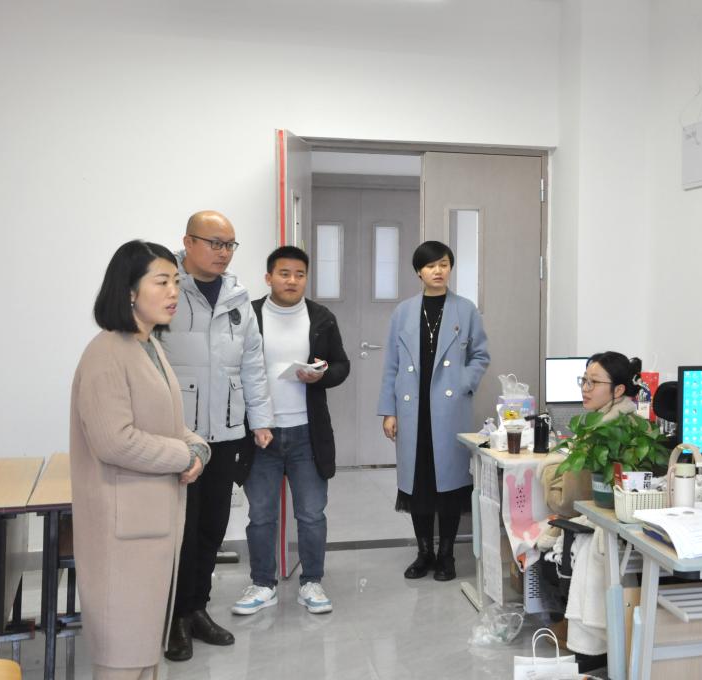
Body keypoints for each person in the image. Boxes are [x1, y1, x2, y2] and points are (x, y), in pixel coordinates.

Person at [70, 241, 210, 680]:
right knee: (122, 657)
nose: (174, 292)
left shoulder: (149, 346)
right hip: (122, 530)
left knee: (143, 653)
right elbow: (115, 441)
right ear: (129, 290)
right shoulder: (106, 352)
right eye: (162, 281)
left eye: (177, 282)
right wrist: (182, 454)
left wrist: (199, 448)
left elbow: (169, 423)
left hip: (151, 523)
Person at [158, 210, 274, 661]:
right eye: (215, 243)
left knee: (211, 527)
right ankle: (174, 617)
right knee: (180, 531)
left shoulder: (236, 296)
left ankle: (197, 609)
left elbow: (252, 364)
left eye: (229, 245)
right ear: (188, 242)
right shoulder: (166, 288)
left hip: (225, 433)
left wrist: (259, 421)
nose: (224, 253)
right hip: (178, 436)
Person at [231, 246, 350, 616]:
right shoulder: (248, 315)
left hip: (306, 434)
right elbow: (231, 367)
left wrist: (321, 375)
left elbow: (341, 365)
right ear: (269, 277)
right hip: (260, 434)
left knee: (312, 514)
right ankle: (262, 584)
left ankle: (312, 581)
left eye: (300, 274)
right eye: (284, 273)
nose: (292, 281)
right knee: (261, 515)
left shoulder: (321, 318)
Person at [378, 241, 490, 581]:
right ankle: (424, 552)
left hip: (449, 410)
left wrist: (464, 382)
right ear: (419, 272)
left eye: (443, 264)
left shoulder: (465, 310)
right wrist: (389, 411)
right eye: (430, 266)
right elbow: (392, 365)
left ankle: (447, 555)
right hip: (411, 410)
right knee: (418, 484)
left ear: (450, 268)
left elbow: (480, 355)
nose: (437, 271)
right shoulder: (404, 312)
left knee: (450, 485)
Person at [542, 351, 644, 517]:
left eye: (594, 382)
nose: (584, 388)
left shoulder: (601, 436)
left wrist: (549, 469)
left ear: (618, 390)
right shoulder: (633, 420)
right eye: (584, 381)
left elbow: (566, 504)